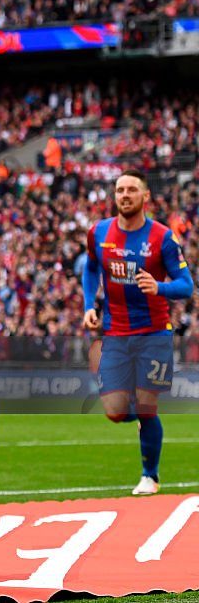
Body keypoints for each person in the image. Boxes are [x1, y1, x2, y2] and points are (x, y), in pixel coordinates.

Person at [82, 169, 194, 495]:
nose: (125, 195)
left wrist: (158, 286)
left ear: (145, 196)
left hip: (155, 333)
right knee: (116, 413)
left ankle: (150, 475)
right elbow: (91, 268)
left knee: (148, 408)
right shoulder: (99, 232)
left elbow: (186, 286)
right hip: (115, 332)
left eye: (132, 189)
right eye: (120, 190)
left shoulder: (163, 238)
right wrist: (90, 304)